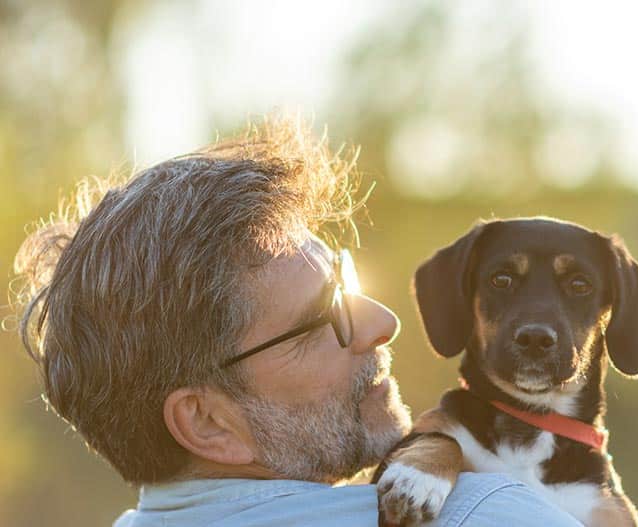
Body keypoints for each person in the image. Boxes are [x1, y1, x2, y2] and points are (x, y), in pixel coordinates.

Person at [13, 116, 581, 526]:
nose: (382, 323)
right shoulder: (482, 516)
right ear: (206, 420)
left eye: (348, 281)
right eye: (322, 317)